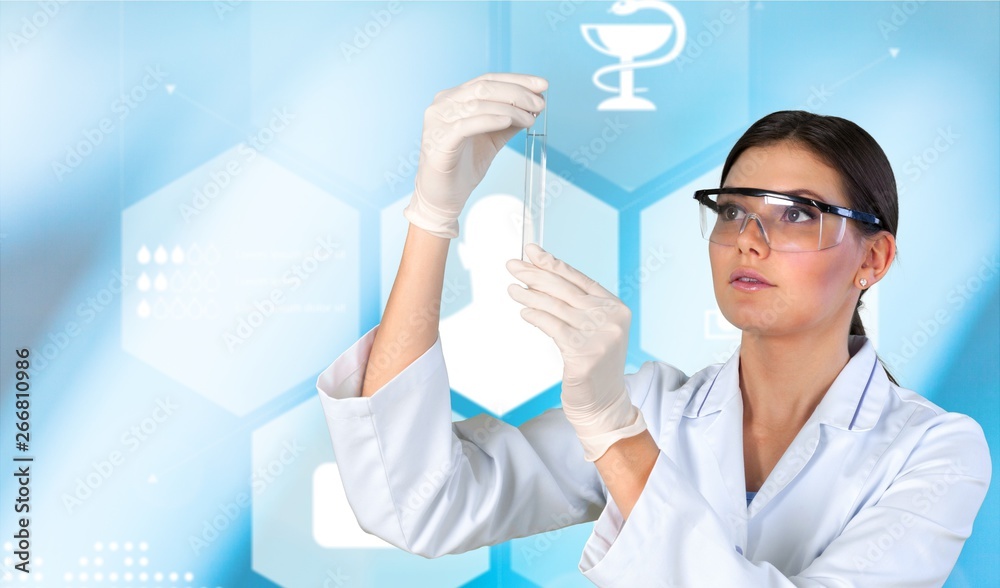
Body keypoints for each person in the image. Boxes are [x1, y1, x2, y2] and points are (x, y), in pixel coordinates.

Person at [315, 73, 991, 586]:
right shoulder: (657, 407)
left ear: (873, 258)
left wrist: (615, 433)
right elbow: (416, 501)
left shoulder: (933, 451)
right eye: (732, 211)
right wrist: (433, 214)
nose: (749, 241)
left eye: (796, 214)